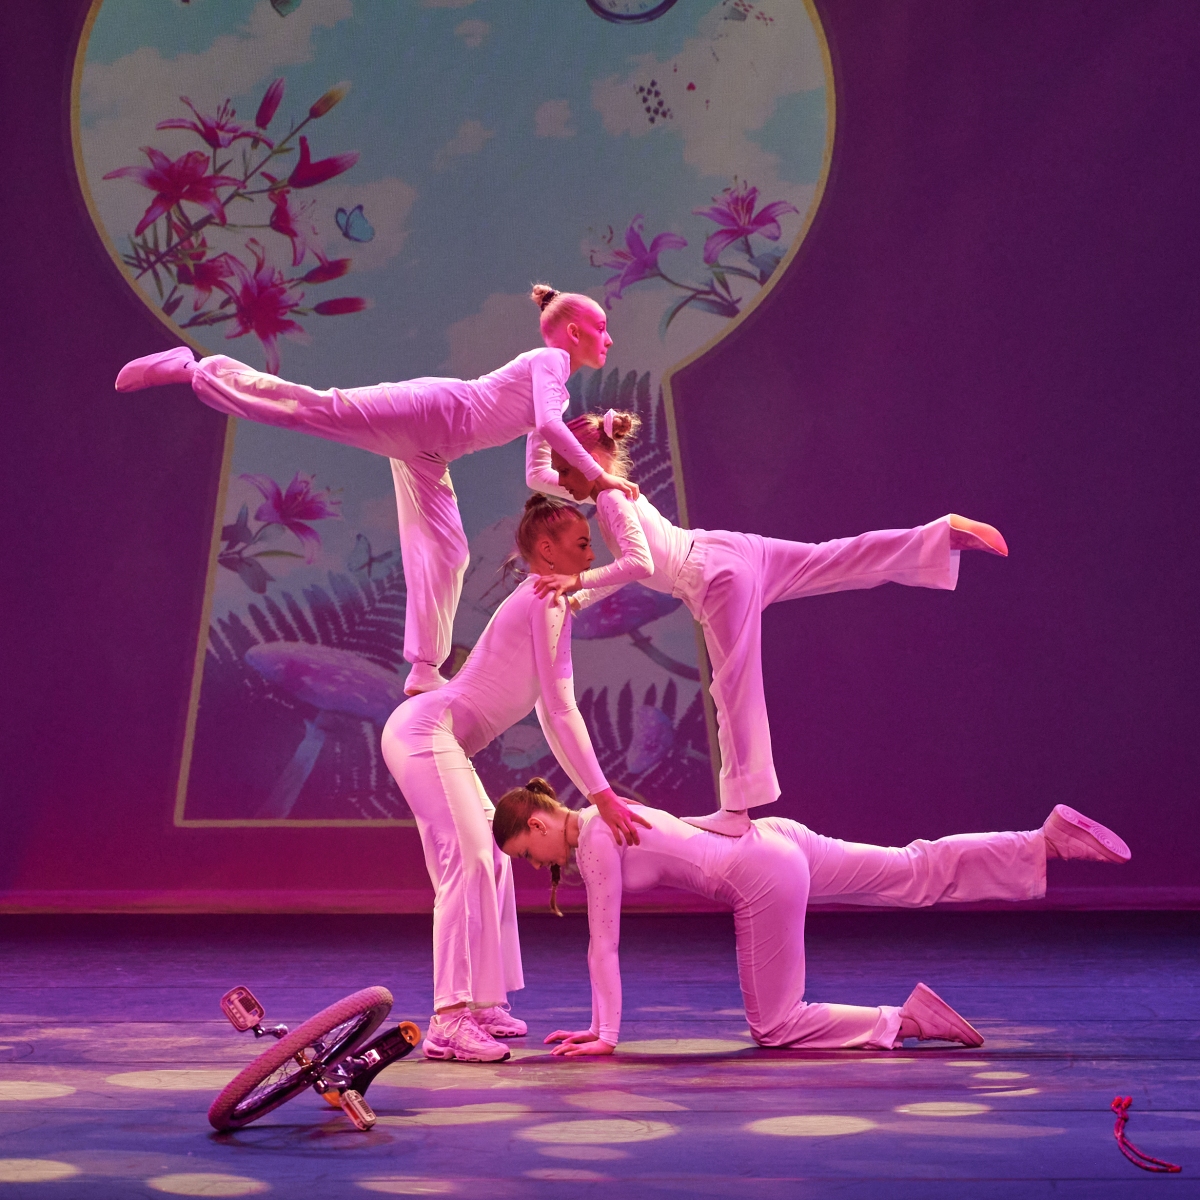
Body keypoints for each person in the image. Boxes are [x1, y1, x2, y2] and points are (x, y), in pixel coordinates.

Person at [113, 286, 636, 695]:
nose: (609, 339)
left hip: (434, 451)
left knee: (449, 551)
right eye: (602, 328)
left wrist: (594, 494)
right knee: (317, 408)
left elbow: (537, 475)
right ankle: (195, 369)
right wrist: (600, 477)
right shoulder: (549, 363)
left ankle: (424, 668)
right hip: (433, 411)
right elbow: (548, 426)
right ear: (572, 332)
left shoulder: (556, 394)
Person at [530, 409, 1009, 835]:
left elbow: (638, 564)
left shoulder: (610, 502)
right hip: (728, 550)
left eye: (566, 471)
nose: (562, 483)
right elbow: (541, 479)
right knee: (833, 559)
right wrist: (538, 416)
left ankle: (736, 811)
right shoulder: (609, 490)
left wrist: (577, 582)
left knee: (733, 689)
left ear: (590, 460)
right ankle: (939, 536)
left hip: (714, 578)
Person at [492, 783, 1131, 1055]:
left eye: (525, 852)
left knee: (775, 1026)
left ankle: (905, 1021)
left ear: (539, 824)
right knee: (913, 867)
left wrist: (604, 1034)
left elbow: (603, 944)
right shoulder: (605, 811)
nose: (534, 865)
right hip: (777, 840)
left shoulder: (595, 839)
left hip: (761, 873)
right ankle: (1043, 842)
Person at [379, 494, 651, 1062]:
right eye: (582, 544)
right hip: (424, 732)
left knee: (496, 856)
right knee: (470, 858)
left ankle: (481, 1002)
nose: (591, 555)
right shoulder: (542, 601)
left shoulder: (550, 600)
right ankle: (449, 1019)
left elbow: (554, 714)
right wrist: (602, 797)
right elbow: (562, 710)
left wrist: (614, 502)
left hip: (437, 736)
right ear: (547, 550)